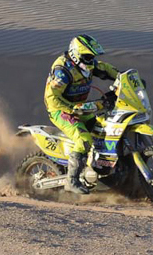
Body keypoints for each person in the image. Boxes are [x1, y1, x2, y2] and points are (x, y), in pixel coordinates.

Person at [44, 34, 119, 194]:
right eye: (87, 56)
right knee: (84, 139)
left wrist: (124, 78)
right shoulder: (63, 72)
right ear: (76, 55)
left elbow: (105, 69)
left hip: (81, 107)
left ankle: (100, 170)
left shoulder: (88, 65)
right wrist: (72, 109)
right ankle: (72, 181)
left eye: (92, 56)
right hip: (61, 111)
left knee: (103, 128)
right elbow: (52, 99)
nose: (91, 60)